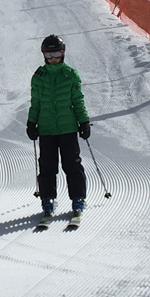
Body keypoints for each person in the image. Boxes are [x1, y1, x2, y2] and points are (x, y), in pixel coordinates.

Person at [25, 34, 91, 221]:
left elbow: (78, 101)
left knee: (72, 165)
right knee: (47, 166)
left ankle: (78, 198)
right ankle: (48, 199)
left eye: (56, 54)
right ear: (43, 55)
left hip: (68, 129)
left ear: (63, 54)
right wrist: (31, 123)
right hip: (46, 129)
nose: (53, 58)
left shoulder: (70, 75)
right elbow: (36, 103)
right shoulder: (39, 77)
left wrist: (84, 122)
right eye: (49, 54)